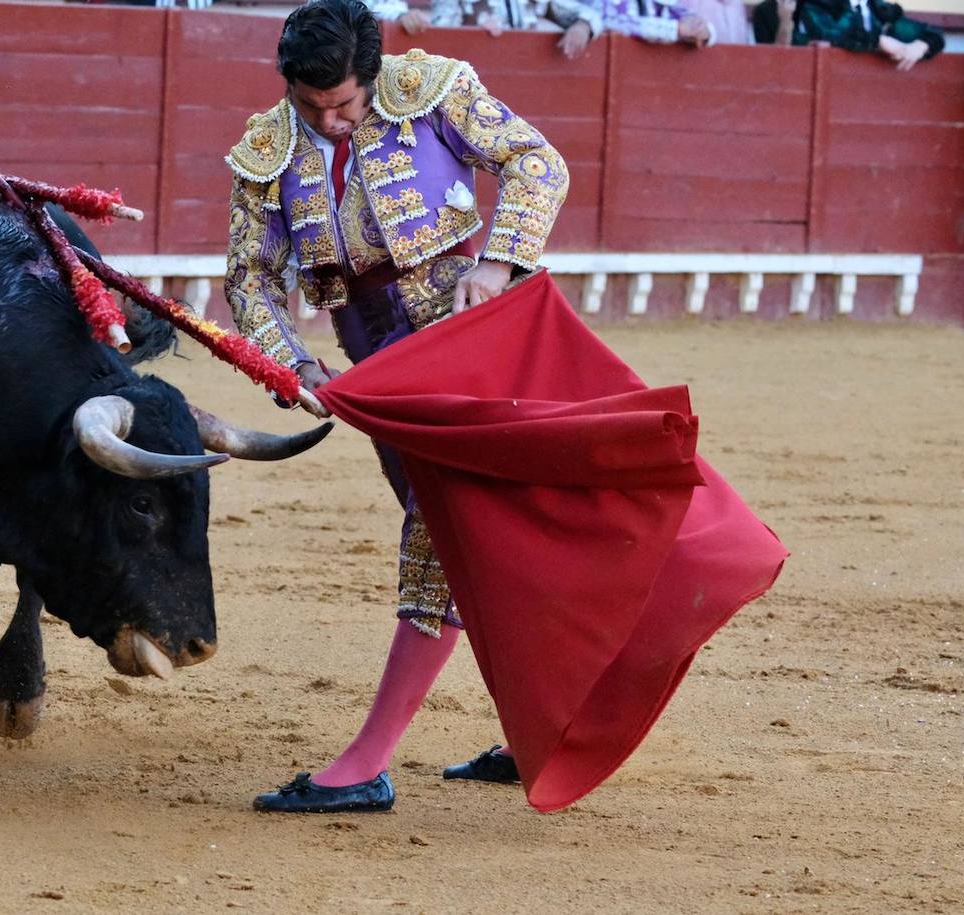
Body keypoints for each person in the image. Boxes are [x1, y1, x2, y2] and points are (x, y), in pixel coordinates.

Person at [223, 0, 569, 812]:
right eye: (312, 106)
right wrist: (290, 362)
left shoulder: (433, 90)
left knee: (441, 530)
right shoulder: (266, 152)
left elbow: (535, 162)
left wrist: (503, 259)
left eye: (343, 103)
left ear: (370, 79)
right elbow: (250, 278)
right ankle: (545, 726)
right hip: (377, 366)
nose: (331, 121)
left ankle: (365, 762)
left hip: (470, 337)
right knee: (479, 544)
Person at [369, 0, 606, 60]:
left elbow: (591, 14)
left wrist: (583, 26)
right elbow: (437, 35)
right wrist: (473, 33)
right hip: (478, 81)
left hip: (529, 82)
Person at [794, 0, 945, 69]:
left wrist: (922, 45)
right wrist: (878, 42)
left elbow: (933, 33)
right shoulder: (816, 3)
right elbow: (829, 34)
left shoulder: (877, 8)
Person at [599, 0, 715, 48]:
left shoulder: (660, 3)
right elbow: (610, 22)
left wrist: (703, 30)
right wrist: (675, 29)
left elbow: (698, 23)